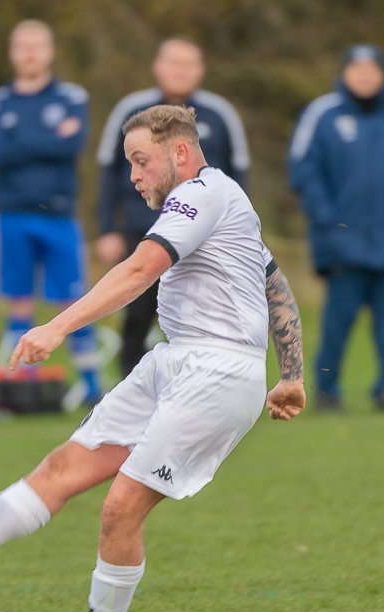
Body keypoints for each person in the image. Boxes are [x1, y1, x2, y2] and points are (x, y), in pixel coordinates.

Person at [0, 105, 306, 612]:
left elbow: (141, 269)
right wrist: (291, 373)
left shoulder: (202, 193)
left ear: (182, 154)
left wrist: (57, 326)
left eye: (141, 162)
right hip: (174, 361)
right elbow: (275, 281)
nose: (135, 176)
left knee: (120, 507)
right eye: (130, 164)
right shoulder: (216, 204)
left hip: (217, 375)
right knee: (61, 469)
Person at [95, 38, 250, 377]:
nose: (180, 71)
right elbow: (108, 170)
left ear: (201, 70)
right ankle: (128, 383)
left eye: (188, 63)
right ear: (158, 66)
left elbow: (238, 175)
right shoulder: (132, 111)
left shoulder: (220, 114)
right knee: (136, 310)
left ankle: (197, 383)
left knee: (198, 314)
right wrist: (108, 228)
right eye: (173, 62)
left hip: (204, 237)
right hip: (145, 229)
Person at [288, 45, 384, 411]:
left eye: (372, 69)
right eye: (357, 68)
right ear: (345, 73)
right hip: (343, 243)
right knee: (338, 321)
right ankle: (328, 390)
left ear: (382, 75)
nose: (365, 76)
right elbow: (303, 169)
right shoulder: (323, 114)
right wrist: (327, 217)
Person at [0, 19, 100, 403]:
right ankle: (21, 389)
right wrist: (48, 140)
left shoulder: (72, 97)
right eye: (23, 46)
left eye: (37, 46)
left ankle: (92, 388)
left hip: (59, 214)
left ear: (50, 52)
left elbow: (71, 147)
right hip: (12, 213)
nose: (30, 53)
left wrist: (24, 143)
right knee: (19, 298)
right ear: (12, 54)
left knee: (72, 299)